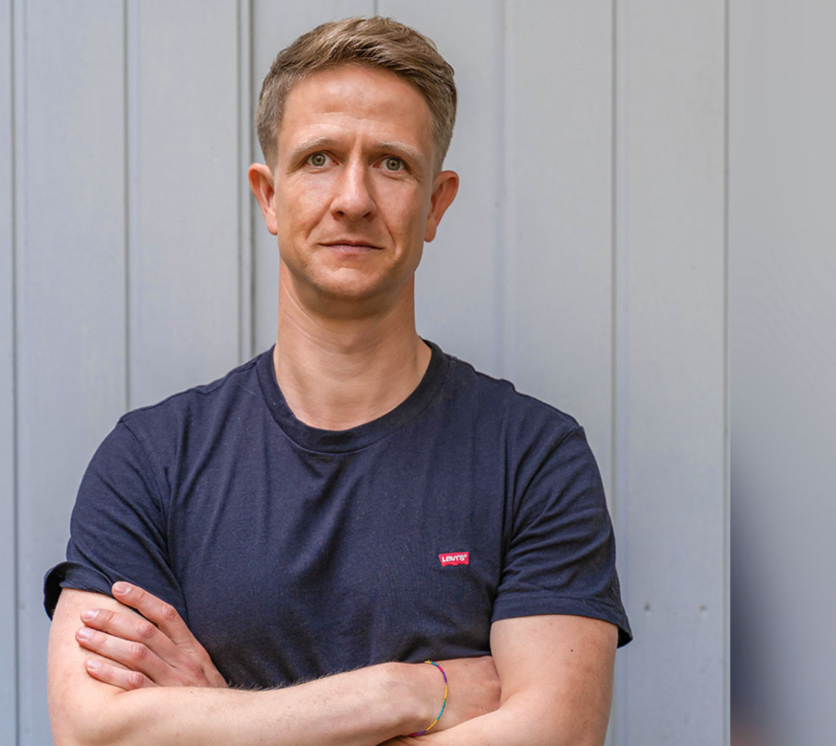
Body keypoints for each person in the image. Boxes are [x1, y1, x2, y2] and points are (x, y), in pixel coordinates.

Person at [45, 16, 631, 746]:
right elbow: (90, 731)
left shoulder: (533, 457)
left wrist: (221, 722)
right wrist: (406, 692)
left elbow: (557, 736)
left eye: (392, 163)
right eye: (319, 159)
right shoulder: (152, 460)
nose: (353, 197)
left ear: (436, 203)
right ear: (269, 195)